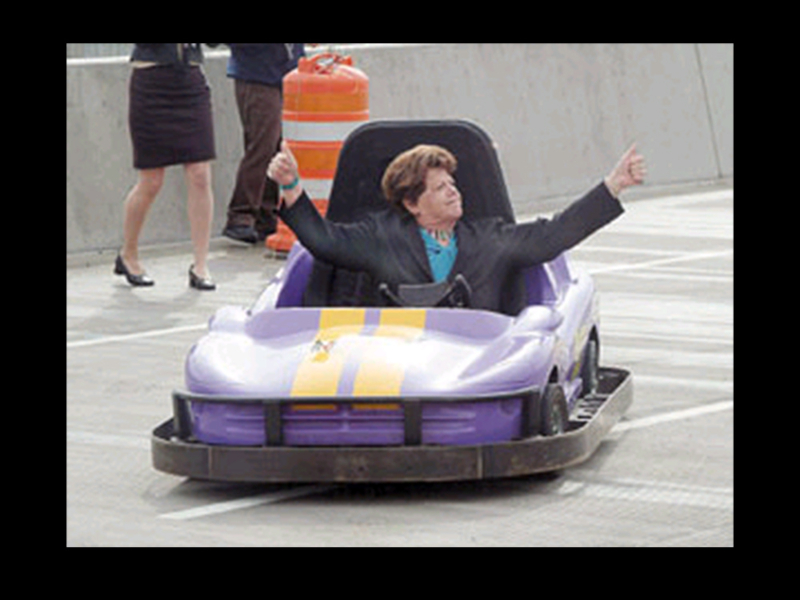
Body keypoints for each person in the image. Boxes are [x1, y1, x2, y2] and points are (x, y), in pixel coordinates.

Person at [267, 140, 646, 313]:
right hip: (397, 365)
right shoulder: (381, 236)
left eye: (453, 184)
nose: (454, 192)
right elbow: (323, 241)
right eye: (440, 188)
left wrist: (613, 185)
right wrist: (290, 185)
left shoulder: (490, 238)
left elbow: (555, 235)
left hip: (473, 366)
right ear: (412, 203)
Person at [115, 43, 217, 290]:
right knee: (151, 180)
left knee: (200, 174)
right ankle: (128, 254)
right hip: (151, 81)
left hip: (190, 80)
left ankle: (200, 265)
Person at [221, 44, 305, 244]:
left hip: (287, 73)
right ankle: (241, 215)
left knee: (277, 146)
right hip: (256, 75)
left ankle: (266, 215)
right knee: (263, 145)